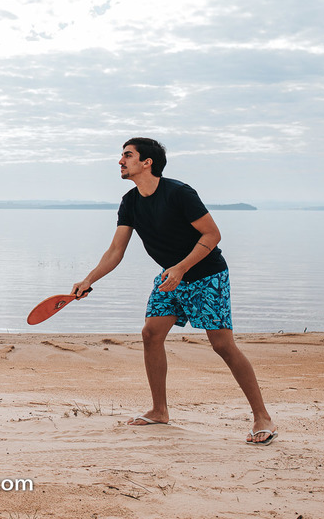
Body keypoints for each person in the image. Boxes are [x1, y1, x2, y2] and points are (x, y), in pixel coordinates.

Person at [71, 137, 277, 445]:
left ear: (147, 162)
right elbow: (115, 250)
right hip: (170, 277)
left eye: (127, 155)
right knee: (151, 334)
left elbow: (213, 235)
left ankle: (262, 417)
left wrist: (181, 268)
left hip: (207, 275)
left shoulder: (179, 193)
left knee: (222, 345)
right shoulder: (130, 202)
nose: (120, 161)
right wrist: (89, 279)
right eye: (122, 155)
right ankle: (159, 411)